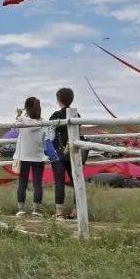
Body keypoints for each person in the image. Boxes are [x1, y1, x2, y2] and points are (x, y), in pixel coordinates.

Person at [48, 87, 79, 220]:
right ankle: (76, 211)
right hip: (74, 151)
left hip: (58, 153)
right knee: (76, 182)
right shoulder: (77, 115)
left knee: (59, 182)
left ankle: (59, 212)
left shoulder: (55, 115)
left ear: (59, 99)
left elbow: (49, 134)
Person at [13, 97, 46, 217]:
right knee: (37, 184)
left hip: (23, 156)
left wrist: (20, 113)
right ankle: (36, 210)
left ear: (27, 108)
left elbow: (15, 124)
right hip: (38, 157)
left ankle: (21, 209)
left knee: (22, 183)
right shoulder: (44, 123)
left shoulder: (22, 120)